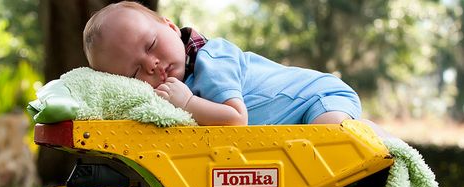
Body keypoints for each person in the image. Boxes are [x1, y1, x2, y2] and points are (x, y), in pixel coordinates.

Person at [83, 1, 363, 127]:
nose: (152, 65)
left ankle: (383, 143)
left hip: (320, 99)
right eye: (134, 72)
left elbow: (235, 119)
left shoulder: (212, 59)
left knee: (332, 136)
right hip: (300, 118)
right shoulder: (177, 86)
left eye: (151, 46)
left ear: (170, 25)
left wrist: (188, 104)